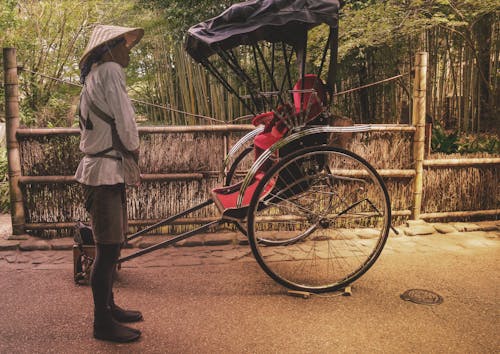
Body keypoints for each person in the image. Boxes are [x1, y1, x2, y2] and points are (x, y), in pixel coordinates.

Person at [75, 25, 144, 343]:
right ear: (110, 49)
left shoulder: (95, 74)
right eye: (124, 45)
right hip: (104, 173)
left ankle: (109, 305)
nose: (128, 51)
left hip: (104, 170)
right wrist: (135, 147)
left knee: (112, 245)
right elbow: (126, 123)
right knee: (106, 250)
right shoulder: (111, 70)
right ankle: (101, 324)